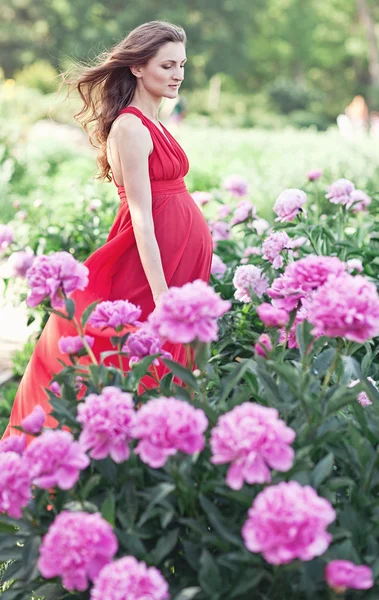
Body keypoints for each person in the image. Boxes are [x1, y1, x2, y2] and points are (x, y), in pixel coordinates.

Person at [2, 21, 213, 438]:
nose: (178, 75)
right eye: (167, 65)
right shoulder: (130, 126)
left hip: (177, 259)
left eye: (182, 65)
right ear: (137, 67)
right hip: (153, 264)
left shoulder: (153, 121)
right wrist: (161, 292)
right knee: (133, 357)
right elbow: (141, 215)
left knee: (166, 363)